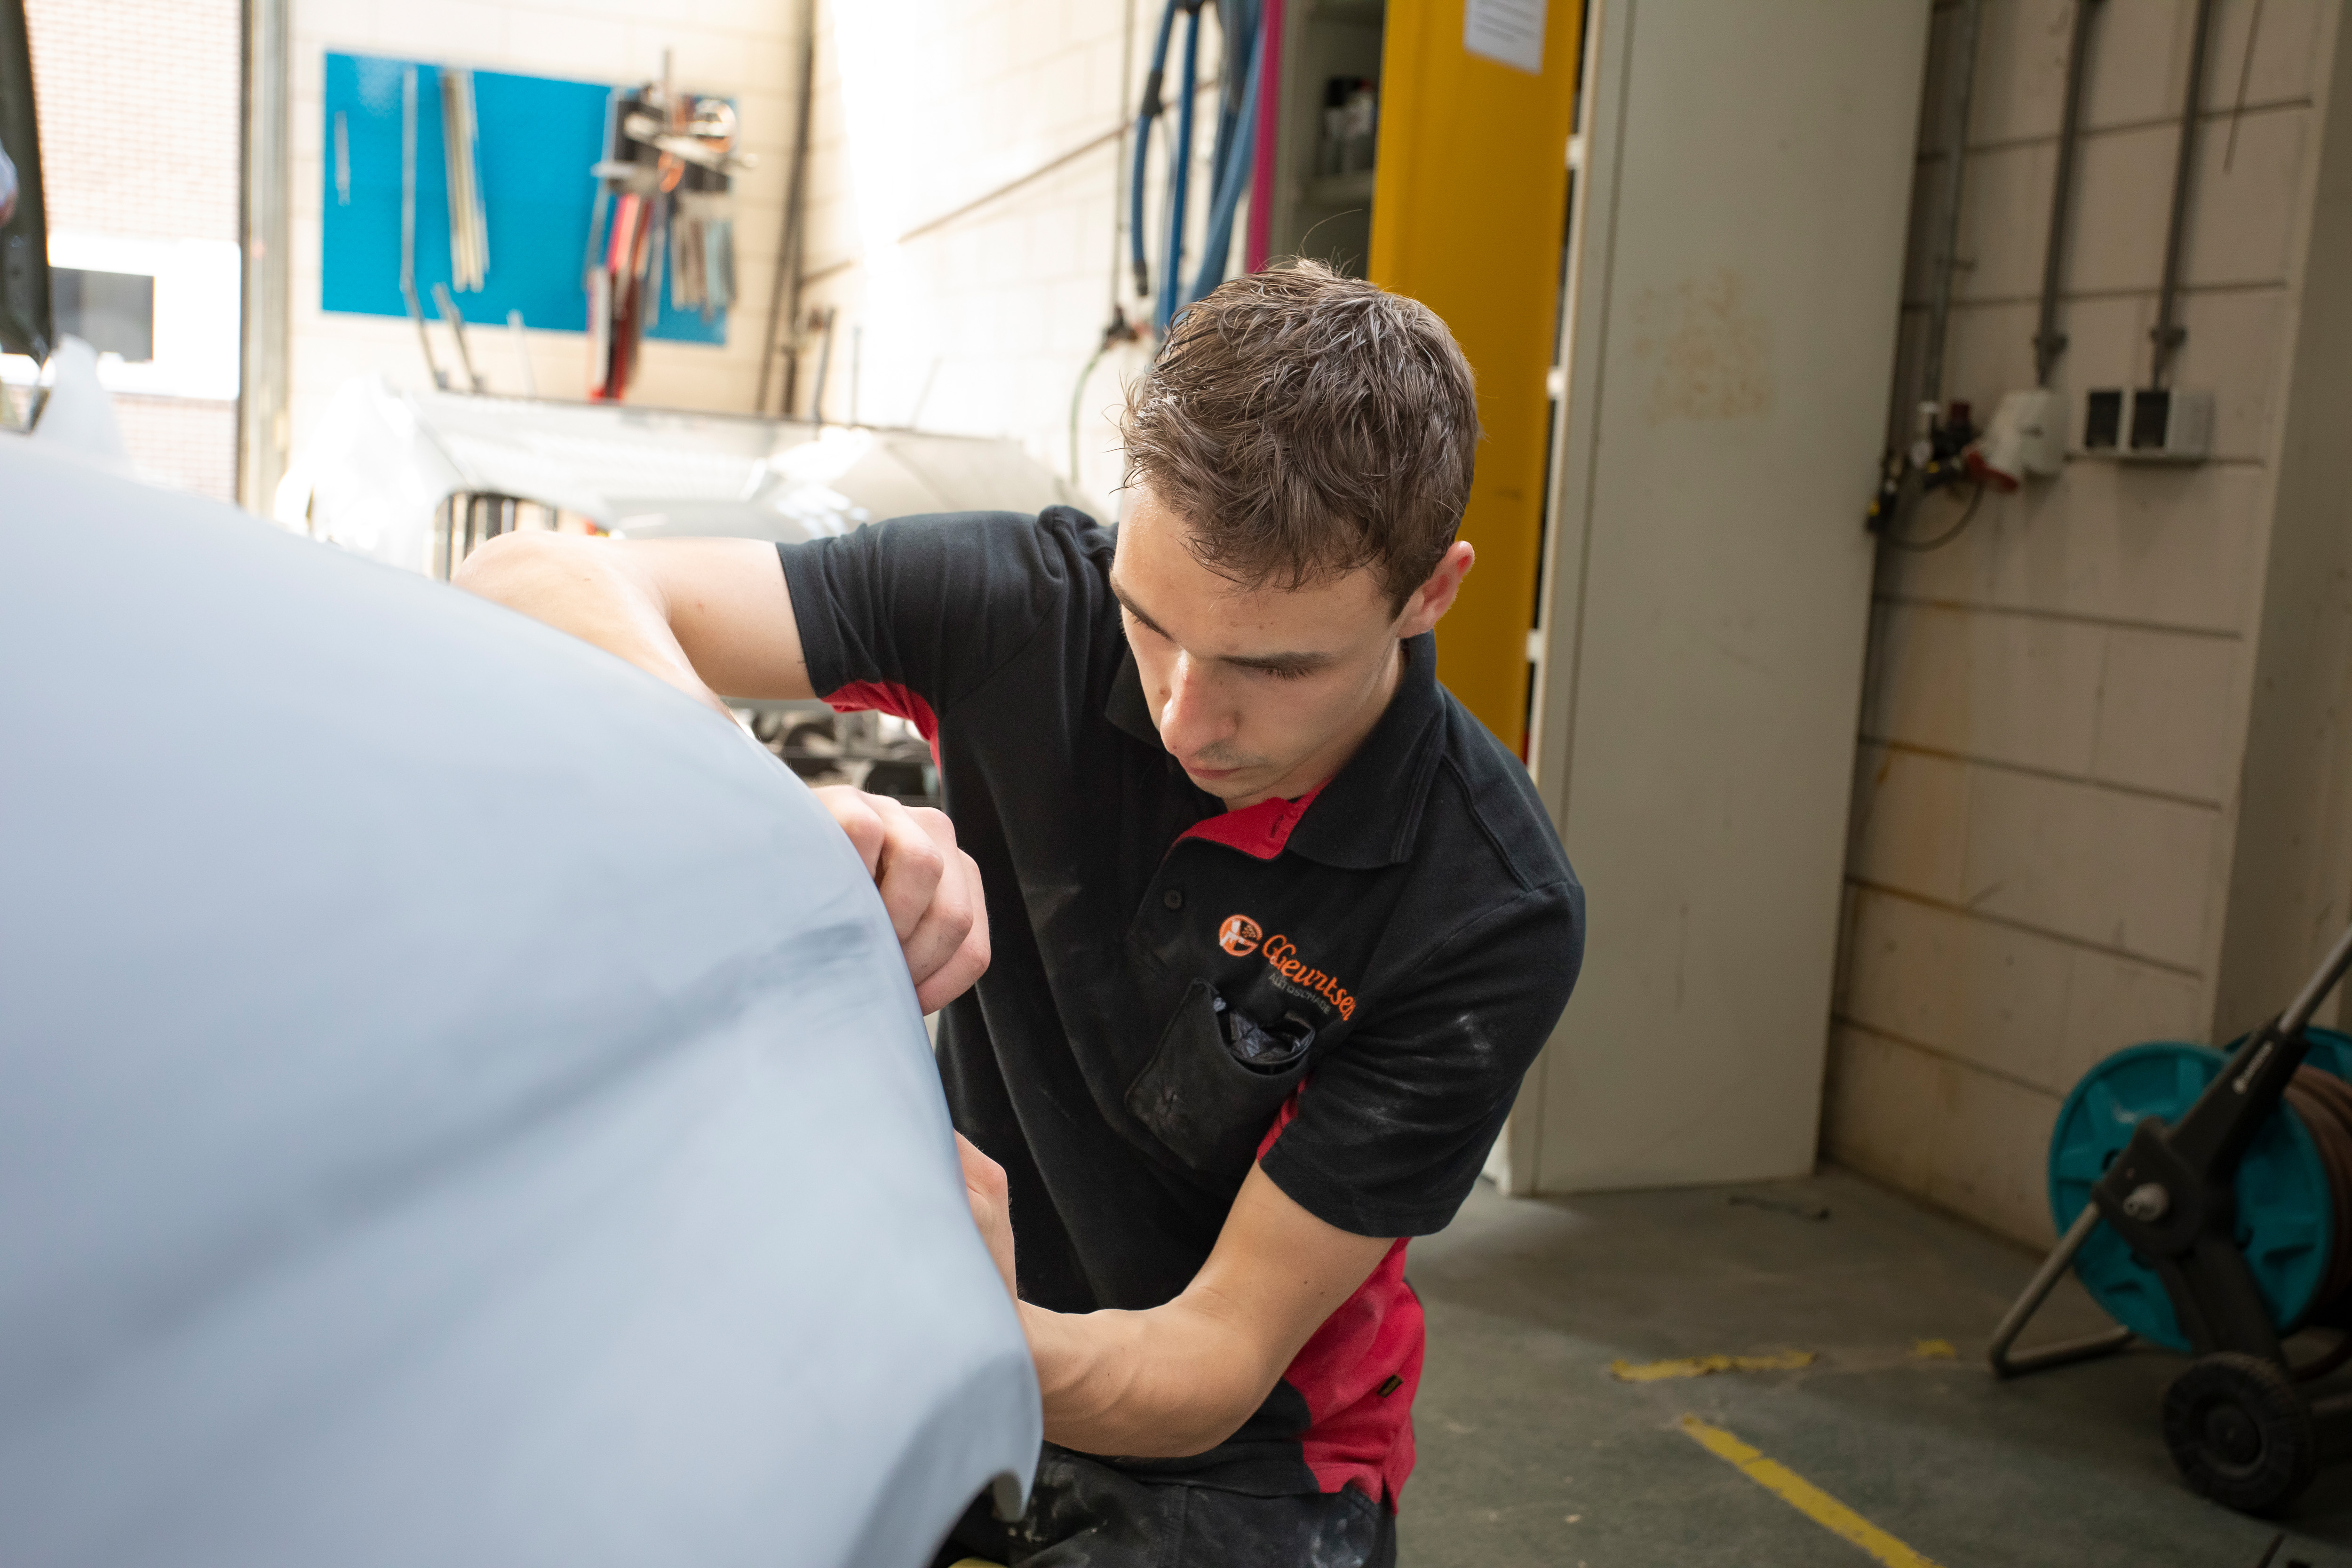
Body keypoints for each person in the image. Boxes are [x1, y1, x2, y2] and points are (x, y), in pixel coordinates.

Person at [456, 260, 1584, 1567]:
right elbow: (524, 578)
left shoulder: (1485, 906)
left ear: (1430, 592)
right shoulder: (1032, 610)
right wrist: (771, 810)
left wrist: (954, 1325)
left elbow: (1212, 1362)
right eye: (1151, 624)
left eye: (1275, 668)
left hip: (1243, 1450)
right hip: (948, 1310)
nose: (1185, 717)